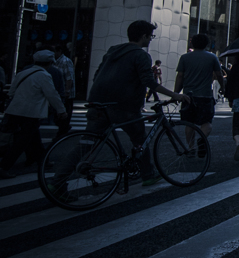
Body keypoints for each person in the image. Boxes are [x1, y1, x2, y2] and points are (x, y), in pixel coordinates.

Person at [85, 21, 189, 186]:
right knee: (140, 139)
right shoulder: (141, 55)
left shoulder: (113, 51)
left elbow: (97, 74)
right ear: (144, 36)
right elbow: (149, 81)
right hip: (124, 106)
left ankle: (57, 181)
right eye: (150, 36)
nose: (151, 40)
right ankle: (148, 175)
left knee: (86, 143)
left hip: (97, 103)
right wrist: (174, 95)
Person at [0, 50, 68, 178]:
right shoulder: (44, 75)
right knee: (22, 141)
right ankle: (4, 166)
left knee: (33, 138)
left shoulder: (23, 73)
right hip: (30, 112)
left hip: (15, 110)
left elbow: (11, 92)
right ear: (50, 63)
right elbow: (52, 94)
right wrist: (61, 110)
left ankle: (41, 161)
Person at [174, 33, 225, 149]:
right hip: (205, 95)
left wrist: (176, 93)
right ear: (206, 44)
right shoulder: (212, 57)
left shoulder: (185, 57)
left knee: (189, 123)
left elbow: (180, 76)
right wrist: (223, 87)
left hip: (188, 96)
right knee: (207, 122)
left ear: (192, 43)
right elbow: (219, 74)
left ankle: (191, 147)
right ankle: (202, 139)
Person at [52, 45, 76, 130]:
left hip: (65, 93)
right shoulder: (55, 62)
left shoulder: (65, 61)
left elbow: (69, 77)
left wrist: (67, 90)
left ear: (59, 51)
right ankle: (64, 127)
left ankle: (63, 129)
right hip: (58, 92)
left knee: (65, 112)